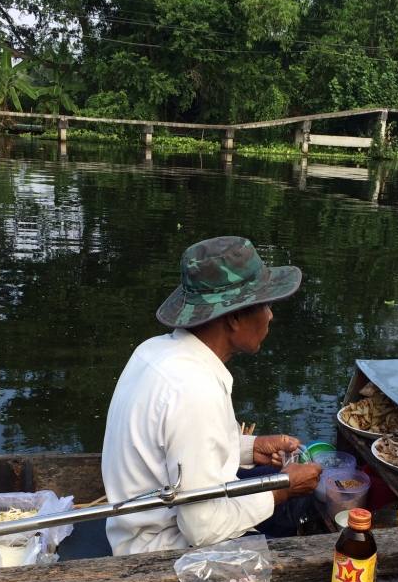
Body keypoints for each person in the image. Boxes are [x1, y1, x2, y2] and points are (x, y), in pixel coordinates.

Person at [102, 236, 321, 555]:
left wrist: (249, 447)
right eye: (265, 305)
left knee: (279, 478)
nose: (271, 316)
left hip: (146, 522)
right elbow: (203, 528)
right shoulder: (195, 388)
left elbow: (181, 451)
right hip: (162, 549)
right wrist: (283, 491)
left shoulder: (155, 350)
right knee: (298, 503)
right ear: (233, 317)